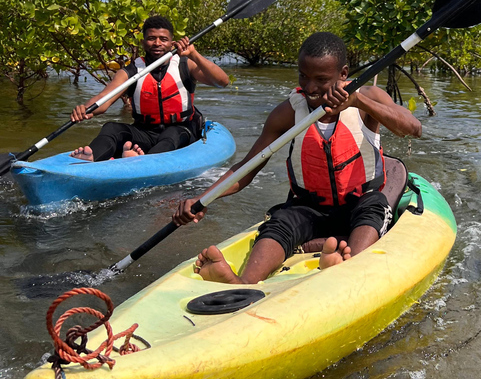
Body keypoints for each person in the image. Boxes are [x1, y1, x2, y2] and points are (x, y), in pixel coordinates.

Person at [173, 32, 421, 284]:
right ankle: (243, 284)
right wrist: (203, 199)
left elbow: (412, 128)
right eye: (304, 76)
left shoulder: (367, 97)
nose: (311, 87)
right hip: (309, 207)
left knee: (373, 209)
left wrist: (359, 102)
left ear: (343, 73)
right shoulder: (288, 112)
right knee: (280, 222)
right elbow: (247, 168)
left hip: (360, 203)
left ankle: (347, 266)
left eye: (322, 79)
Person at [69, 15, 230, 161]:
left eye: (163, 39)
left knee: (171, 135)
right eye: (151, 38)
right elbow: (104, 99)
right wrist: (86, 109)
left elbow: (222, 81)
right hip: (144, 132)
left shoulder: (185, 64)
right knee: (111, 128)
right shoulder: (131, 71)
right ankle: (92, 157)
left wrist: (194, 54)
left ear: (172, 43)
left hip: (181, 129)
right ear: (143, 42)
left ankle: (141, 162)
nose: (157, 43)